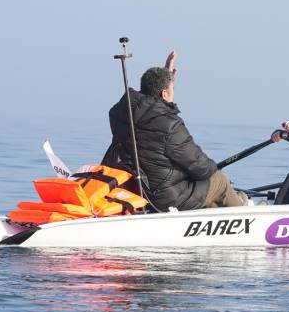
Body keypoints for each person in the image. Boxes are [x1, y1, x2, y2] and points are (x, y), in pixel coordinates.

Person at [102, 51, 247, 211]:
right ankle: (247, 215)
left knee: (207, 190)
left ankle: (223, 211)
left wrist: (165, 77)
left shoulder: (119, 115)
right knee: (219, 181)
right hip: (165, 198)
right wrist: (212, 168)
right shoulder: (170, 125)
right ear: (165, 94)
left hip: (136, 189)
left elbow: (147, 107)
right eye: (172, 89)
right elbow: (201, 167)